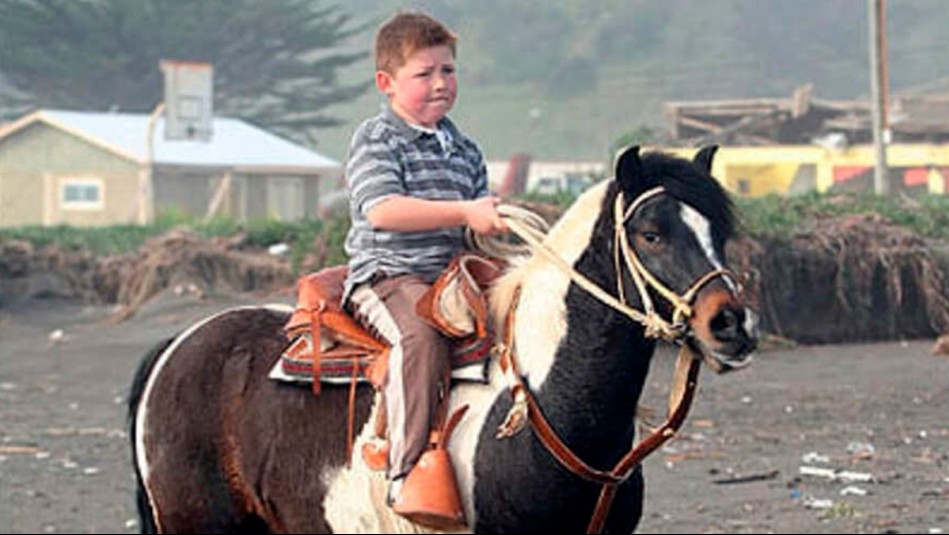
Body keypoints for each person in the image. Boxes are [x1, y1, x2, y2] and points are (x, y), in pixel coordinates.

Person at [341, 10, 506, 523]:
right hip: (390, 275)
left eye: (448, 71)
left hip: (450, 277)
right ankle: (405, 470)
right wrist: (464, 211)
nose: (440, 84)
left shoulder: (465, 147)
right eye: (424, 74)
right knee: (423, 337)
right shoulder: (377, 139)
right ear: (386, 84)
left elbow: (473, 224)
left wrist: (497, 223)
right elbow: (382, 210)